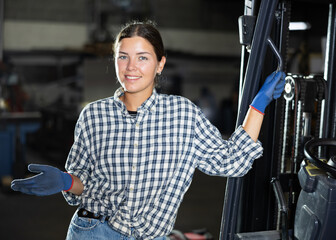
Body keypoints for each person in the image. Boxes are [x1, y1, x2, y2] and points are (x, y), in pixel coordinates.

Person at [11, 20, 285, 240]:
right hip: (93, 232)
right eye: (123, 57)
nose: (131, 67)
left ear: (160, 64)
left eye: (142, 57)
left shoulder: (182, 115)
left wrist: (258, 104)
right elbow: (84, 184)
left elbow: (232, 161)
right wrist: (66, 181)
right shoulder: (93, 115)